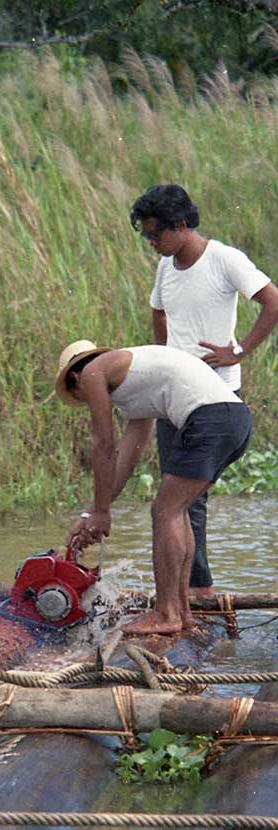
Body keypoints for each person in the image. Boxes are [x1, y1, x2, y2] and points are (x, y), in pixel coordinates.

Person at [130, 184, 278, 596]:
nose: (152, 242)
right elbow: (158, 311)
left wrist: (239, 350)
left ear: (181, 225)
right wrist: (165, 357)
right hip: (172, 396)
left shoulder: (224, 260)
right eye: (147, 236)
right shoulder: (165, 267)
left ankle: (195, 592)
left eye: (156, 234)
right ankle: (190, 591)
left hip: (214, 399)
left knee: (183, 500)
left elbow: (273, 302)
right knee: (178, 500)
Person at [55, 340, 252, 636]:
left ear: (74, 379)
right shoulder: (135, 389)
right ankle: (182, 610)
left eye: (80, 398)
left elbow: (104, 446)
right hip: (233, 420)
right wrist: (94, 514)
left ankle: (165, 613)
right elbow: (126, 457)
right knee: (176, 509)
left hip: (210, 418)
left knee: (165, 511)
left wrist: (100, 511)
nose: (90, 403)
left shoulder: (93, 372)